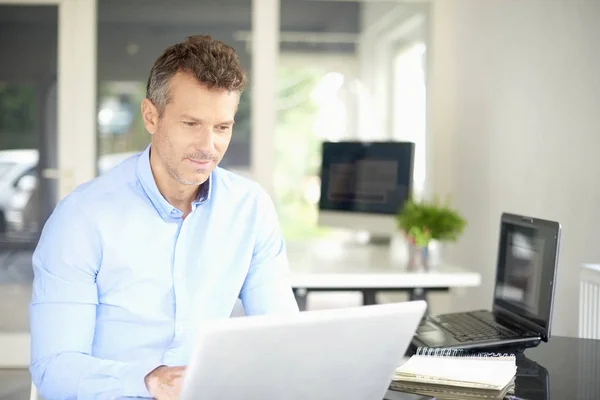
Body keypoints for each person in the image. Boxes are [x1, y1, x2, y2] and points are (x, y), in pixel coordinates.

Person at [29, 35, 299, 400]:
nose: (208, 146)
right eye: (191, 124)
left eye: (222, 127)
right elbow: (54, 369)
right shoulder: (81, 218)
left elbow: (281, 334)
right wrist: (150, 382)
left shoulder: (250, 208)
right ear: (151, 116)